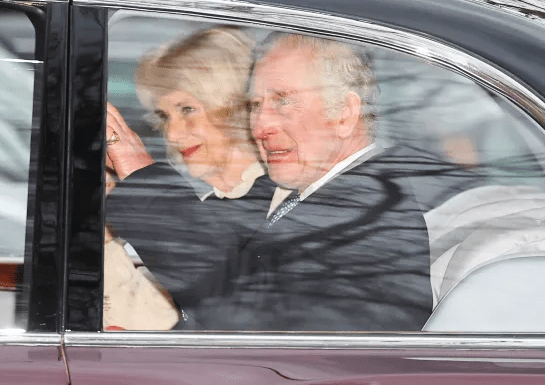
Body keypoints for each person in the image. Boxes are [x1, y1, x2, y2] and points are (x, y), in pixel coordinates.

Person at [192, 33, 433, 330]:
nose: (259, 127)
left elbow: (245, 333)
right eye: (255, 105)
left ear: (345, 115)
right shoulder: (326, 197)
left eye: (283, 101)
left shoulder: (361, 225)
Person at [105, 26, 274, 328]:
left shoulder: (279, 205)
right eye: (164, 116)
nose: (172, 133)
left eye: (187, 109)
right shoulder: (212, 205)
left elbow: (227, 311)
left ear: (234, 107)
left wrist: (138, 173)